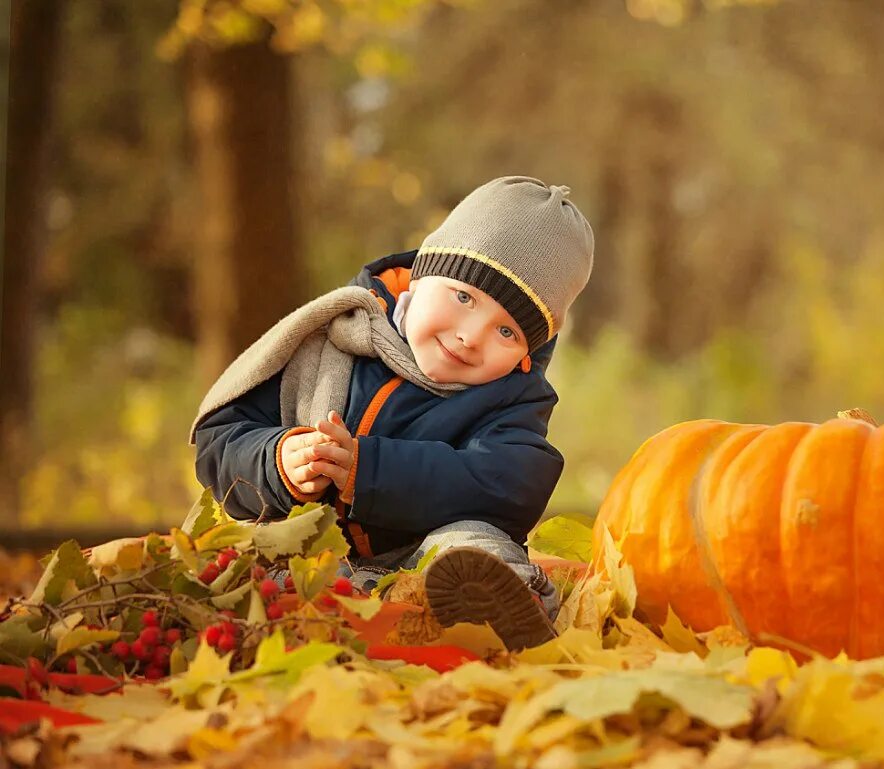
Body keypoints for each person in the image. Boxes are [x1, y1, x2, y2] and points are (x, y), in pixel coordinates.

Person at [189, 176, 594, 650]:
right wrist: (277, 461)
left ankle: (488, 606)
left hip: (422, 562)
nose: (470, 336)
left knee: (472, 546)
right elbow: (219, 443)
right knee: (252, 564)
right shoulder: (330, 341)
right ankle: (287, 610)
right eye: (464, 298)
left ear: (529, 351)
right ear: (419, 278)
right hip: (310, 556)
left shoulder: (513, 396)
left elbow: (509, 485)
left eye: (507, 331)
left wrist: (371, 470)